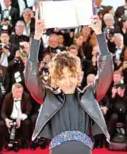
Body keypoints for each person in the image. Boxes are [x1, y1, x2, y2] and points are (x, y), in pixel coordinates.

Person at [24, 12, 113, 154]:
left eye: (71, 75)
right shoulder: (48, 97)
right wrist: (36, 38)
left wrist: (99, 34)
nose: (68, 81)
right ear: (56, 79)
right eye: (62, 77)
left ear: (78, 75)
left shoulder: (89, 95)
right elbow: (30, 79)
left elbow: (106, 74)